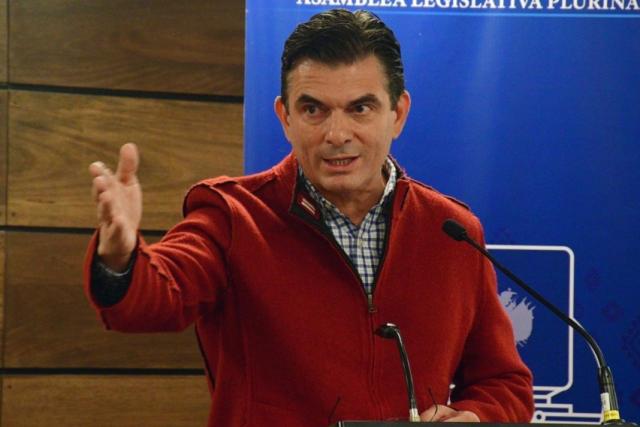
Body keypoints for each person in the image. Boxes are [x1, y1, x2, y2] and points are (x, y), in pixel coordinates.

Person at [86, 9, 534, 426]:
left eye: (360, 108)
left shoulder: (452, 231)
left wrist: (477, 417)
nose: (337, 134)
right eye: (313, 109)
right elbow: (155, 299)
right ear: (285, 117)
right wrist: (121, 257)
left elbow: (503, 382)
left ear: (397, 114)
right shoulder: (233, 215)